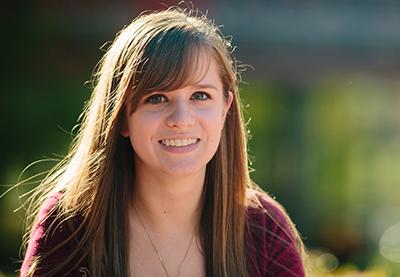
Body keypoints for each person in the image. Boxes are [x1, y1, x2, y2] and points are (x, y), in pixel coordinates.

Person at [20, 7, 306, 277]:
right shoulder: (69, 226)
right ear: (121, 118)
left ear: (225, 108)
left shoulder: (264, 230)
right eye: (157, 98)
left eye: (200, 96)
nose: (181, 119)